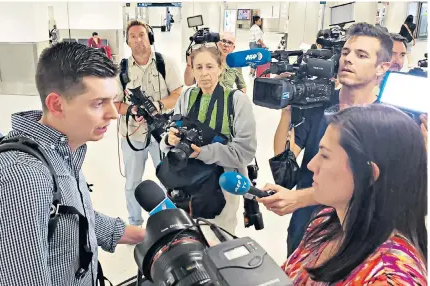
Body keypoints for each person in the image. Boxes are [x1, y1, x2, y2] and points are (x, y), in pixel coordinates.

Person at [0, 42, 145, 285]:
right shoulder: (19, 180)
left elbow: (72, 218)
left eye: (113, 100)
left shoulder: (61, 149)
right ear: (57, 105)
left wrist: (136, 235)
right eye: (98, 103)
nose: (113, 113)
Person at [264, 104, 428, 284]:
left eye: (325, 156)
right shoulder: (324, 223)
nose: (311, 165)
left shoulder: (389, 278)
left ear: (368, 174)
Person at [269, 23, 393, 257]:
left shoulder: (386, 119)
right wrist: (288, 110)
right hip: (306, 224)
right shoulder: (318, 102)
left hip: (356, 230)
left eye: (361, 55)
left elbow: (378, 185)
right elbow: (284, 158)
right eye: (345, 52)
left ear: (382, 67)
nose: (348, 59)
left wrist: (299, 198)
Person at [161, 45, 256, 239]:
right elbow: (174, 129)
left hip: (222, 183)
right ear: (192, 70)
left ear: (221, 68)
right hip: (188, 180)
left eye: (210, 67)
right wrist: (169, 140)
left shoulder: (237, 100)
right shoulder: (187, 95)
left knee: (220, 240)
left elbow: (245, 153)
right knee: (189, 238)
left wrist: (204, 152)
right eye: (199, 67)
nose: (204, 74)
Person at [114, 20, 183, 227]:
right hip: (133, 135)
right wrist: (133, 110)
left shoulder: (165, 63)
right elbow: (115, 104)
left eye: (142, 35)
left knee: (167, 181)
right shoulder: (121, 71)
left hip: (163, 134)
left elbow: (178, 94)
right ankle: (135, 224)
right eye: (133, 36)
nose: (138, 40)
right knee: (132, 183)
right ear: (127, 41)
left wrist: (157, 105)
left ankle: (168, 222)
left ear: (150, 37)